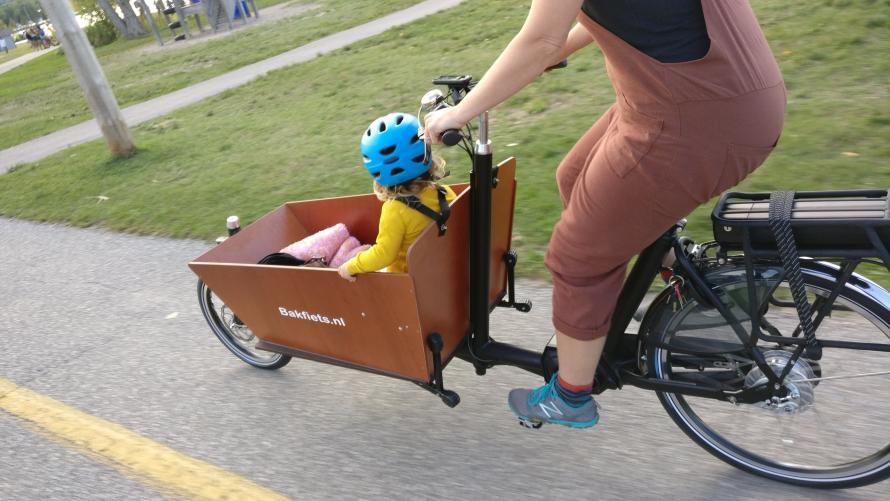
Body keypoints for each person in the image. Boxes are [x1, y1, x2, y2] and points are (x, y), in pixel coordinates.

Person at [425, 0, 785, 428]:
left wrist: (460, 113)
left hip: (696, 116)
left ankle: (571, 395)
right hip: (717, 94)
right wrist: (556, 49)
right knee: (575, 177)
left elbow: (539, 39)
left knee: (576, 256)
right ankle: (683, 279)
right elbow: (618, 16)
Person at [337, 113, 457, 281]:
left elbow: (384, 255)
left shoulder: (395, 210)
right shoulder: (444, 192)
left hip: (409, 283)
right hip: (445, 270)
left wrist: (350, 266)